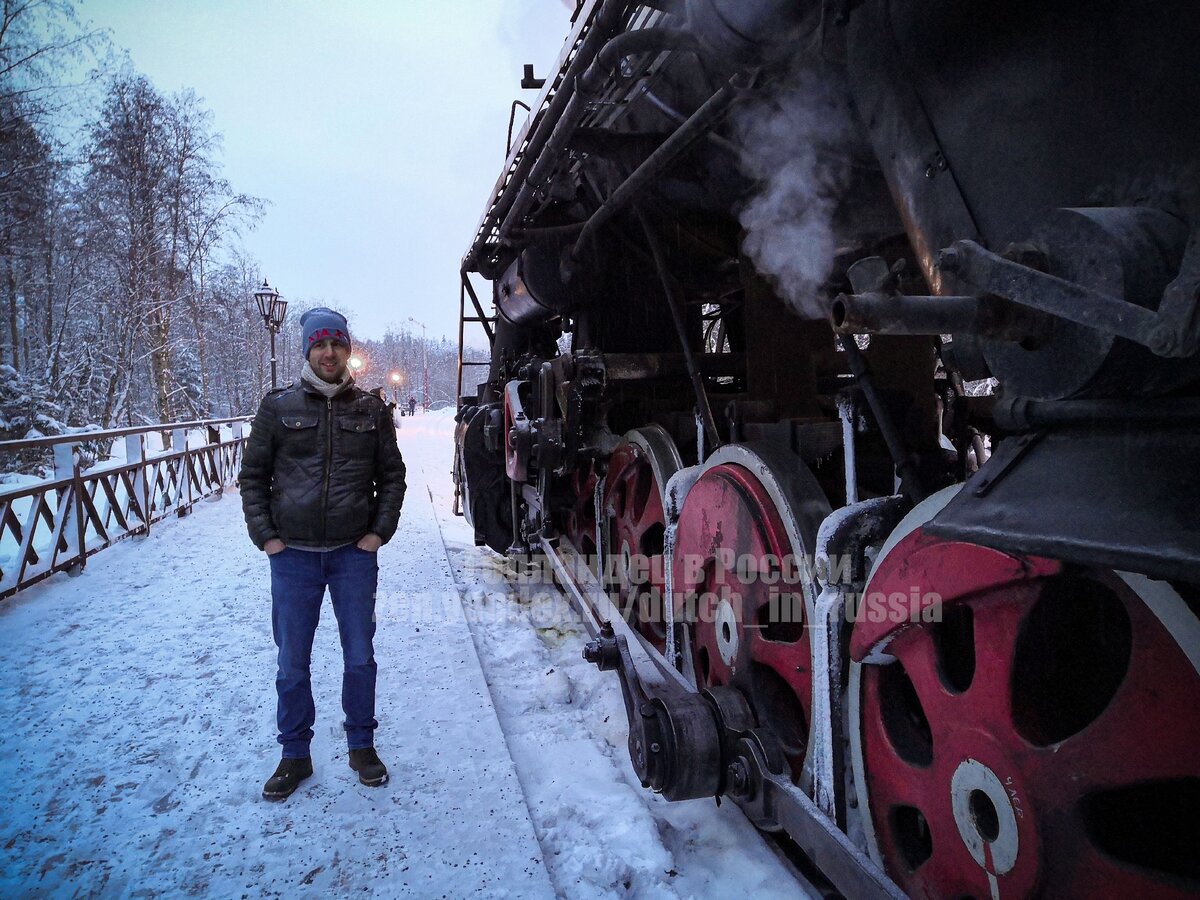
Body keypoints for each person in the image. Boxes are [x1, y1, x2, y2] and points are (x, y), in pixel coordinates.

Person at [239, 307, 407, 802]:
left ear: (347, 350)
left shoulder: (370, 410)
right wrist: (266, 535)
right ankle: (294, 754)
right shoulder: (277, 407)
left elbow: (392, 476)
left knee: (360, 657)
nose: (328, 353)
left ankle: (361, 745)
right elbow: (252, 476)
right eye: (319, 344)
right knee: (292, 662)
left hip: (353, 554)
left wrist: (378, 532)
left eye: (336, 344)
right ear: (308, 350)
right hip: (292, 557)